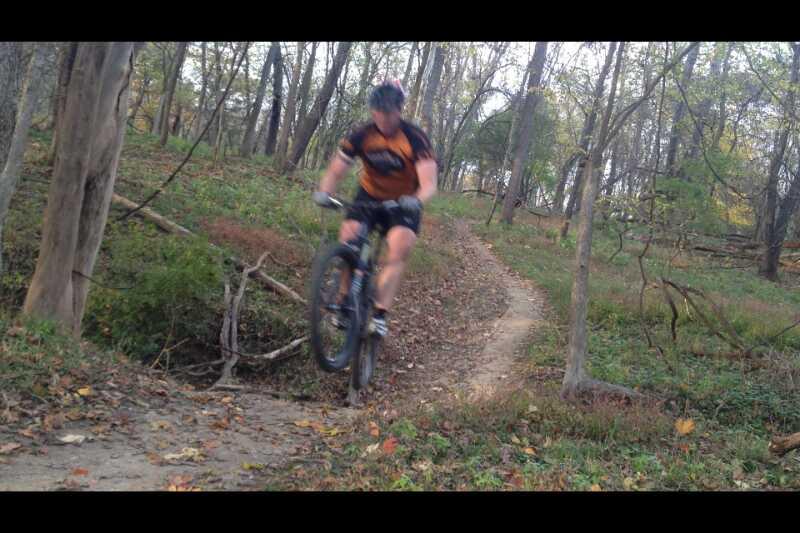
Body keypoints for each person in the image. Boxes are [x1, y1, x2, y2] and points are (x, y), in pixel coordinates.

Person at [313, 80, 438, 338]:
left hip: (403, 201)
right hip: (369, 195)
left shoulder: (414, 138)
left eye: (389, 112)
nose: (383, 118)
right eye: (377, 112)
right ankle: (345, 301)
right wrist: (325, 192)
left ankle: (380, 315)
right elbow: (337, 168)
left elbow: (429, 185)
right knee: (349, 238)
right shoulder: (362, 134)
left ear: (399, 110)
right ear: (372, 111)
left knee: (399, 248)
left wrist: (416, 200)